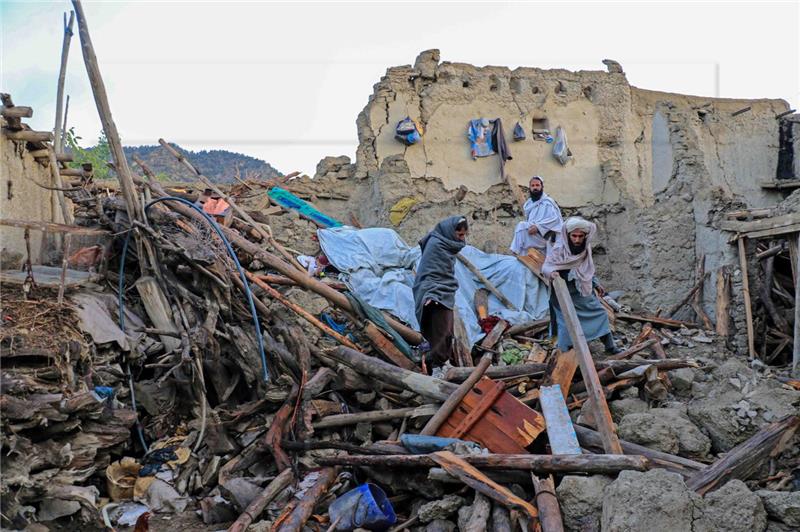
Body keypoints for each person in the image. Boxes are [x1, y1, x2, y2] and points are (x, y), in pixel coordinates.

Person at [542, 217, 623, 355]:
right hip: (563, 293)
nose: (577, 240)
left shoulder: (585, 248)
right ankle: (563, 354)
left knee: (600, 313)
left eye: (581, 236)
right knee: (567, 324)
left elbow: (587, 268)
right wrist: (553, 273)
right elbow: (546, 267)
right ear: (568, 235)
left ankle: (610, 347)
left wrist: (595, 283)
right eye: (574, 236)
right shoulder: (559, 249)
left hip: (582, 291)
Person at [413, 215, 468, 366]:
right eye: (459, 235)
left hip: (443, 291)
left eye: (464, 235)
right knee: (441, 329)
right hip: (433, 293)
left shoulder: (447, 246)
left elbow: (445, 273)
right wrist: (431, 294)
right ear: (451, 232)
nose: (462, 239)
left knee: (445, 330)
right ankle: (438, 365)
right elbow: (430, 273)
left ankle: (437, 361)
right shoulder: (436, 245)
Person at [510, 175, 563, 256]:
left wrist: (538, 227)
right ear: (530, 188)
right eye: (533, 185)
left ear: (542, 187)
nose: (535, 188)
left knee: (521, 226)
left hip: (545, 236)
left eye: (537, 185)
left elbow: (555, 220)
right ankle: (519, 255)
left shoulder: (547, 203)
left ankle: (514, 253)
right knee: (522, 229)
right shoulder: (529, 203)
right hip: (533, 233)